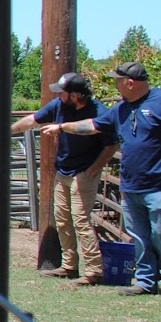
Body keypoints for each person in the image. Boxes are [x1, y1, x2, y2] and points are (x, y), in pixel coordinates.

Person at [41, 60, 161, 296]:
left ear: (130, 82)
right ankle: (145, 281)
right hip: (132, 184)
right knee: (139, 236)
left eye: (117, 81)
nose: (115, 85)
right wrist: (63, 127)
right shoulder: (121, 109)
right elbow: (93, 126)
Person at [11, 71, 118, 285]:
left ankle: (94, 270)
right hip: (64, 170)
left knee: (80, 219)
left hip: (84, 172)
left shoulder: (99, 113)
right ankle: (69, 265)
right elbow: (32, 120)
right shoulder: (59, 106)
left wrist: (94, 169)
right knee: (62, 218)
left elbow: (112, 145)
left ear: (75, 95)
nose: (58, 96)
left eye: (62, 93)